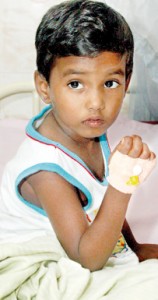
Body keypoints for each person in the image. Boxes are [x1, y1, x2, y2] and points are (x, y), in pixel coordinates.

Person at [0, 0, 158, 272]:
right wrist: (123, 184)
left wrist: (135, 247)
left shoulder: (89, 130)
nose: (96, 102)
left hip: (91, 245)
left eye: (110, 83)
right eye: (75, 84)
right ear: (44, 87)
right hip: (46, 264)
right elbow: (87, 259)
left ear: (127, 82)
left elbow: (98, 203)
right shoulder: (46, 170)